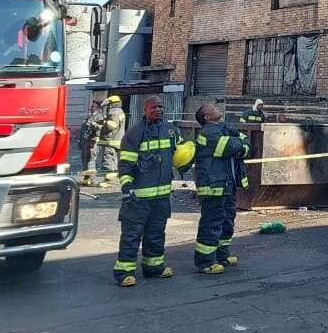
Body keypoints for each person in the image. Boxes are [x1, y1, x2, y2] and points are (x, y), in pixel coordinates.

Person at [113, 95, 182, 286]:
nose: (158, 110)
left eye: (161, 107)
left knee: (156, 233)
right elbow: (125, 164)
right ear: (145, 109)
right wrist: (127, 187)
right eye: (154, 107)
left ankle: (154, 268)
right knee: (132, 234)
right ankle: (124, 272)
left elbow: (179, 155)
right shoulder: (134, 134)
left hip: (161, 197)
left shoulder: (170, 130)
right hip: (139, 197)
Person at [193, 103, 249, 274]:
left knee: (226, 221)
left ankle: (221, 255)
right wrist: (239, 143)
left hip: (227, 185)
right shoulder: (208, 132)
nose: (216, 107)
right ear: (207, 117)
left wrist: (240, 143)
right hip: (213, 187)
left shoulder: (223, 128)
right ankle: (205, 261)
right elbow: (229, 147)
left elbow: (246, 144)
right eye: (211, 107)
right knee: (212, 223)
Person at [95, 94, 127, 185]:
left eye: (108, 105)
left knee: (108, 159)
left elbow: (111, 125)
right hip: (116, 140)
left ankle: (108, 180)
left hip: (110, 140)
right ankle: (111, 178)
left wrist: (100, 126)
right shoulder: (119, 111)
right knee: (113, 160)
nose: (108, 107)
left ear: (112, 104)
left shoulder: (114, 112)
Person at [80, 98, 105, 183]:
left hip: (92, 142)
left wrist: (94, 141)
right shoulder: (90, 116)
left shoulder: (100, 117)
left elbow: (101, 130)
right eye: (91, 106)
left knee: (90, 160)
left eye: (92, 107)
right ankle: (86, 178)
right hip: (85, 142)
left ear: (98, 108)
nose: (90, 108)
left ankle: (90, 178)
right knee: (84, 160)